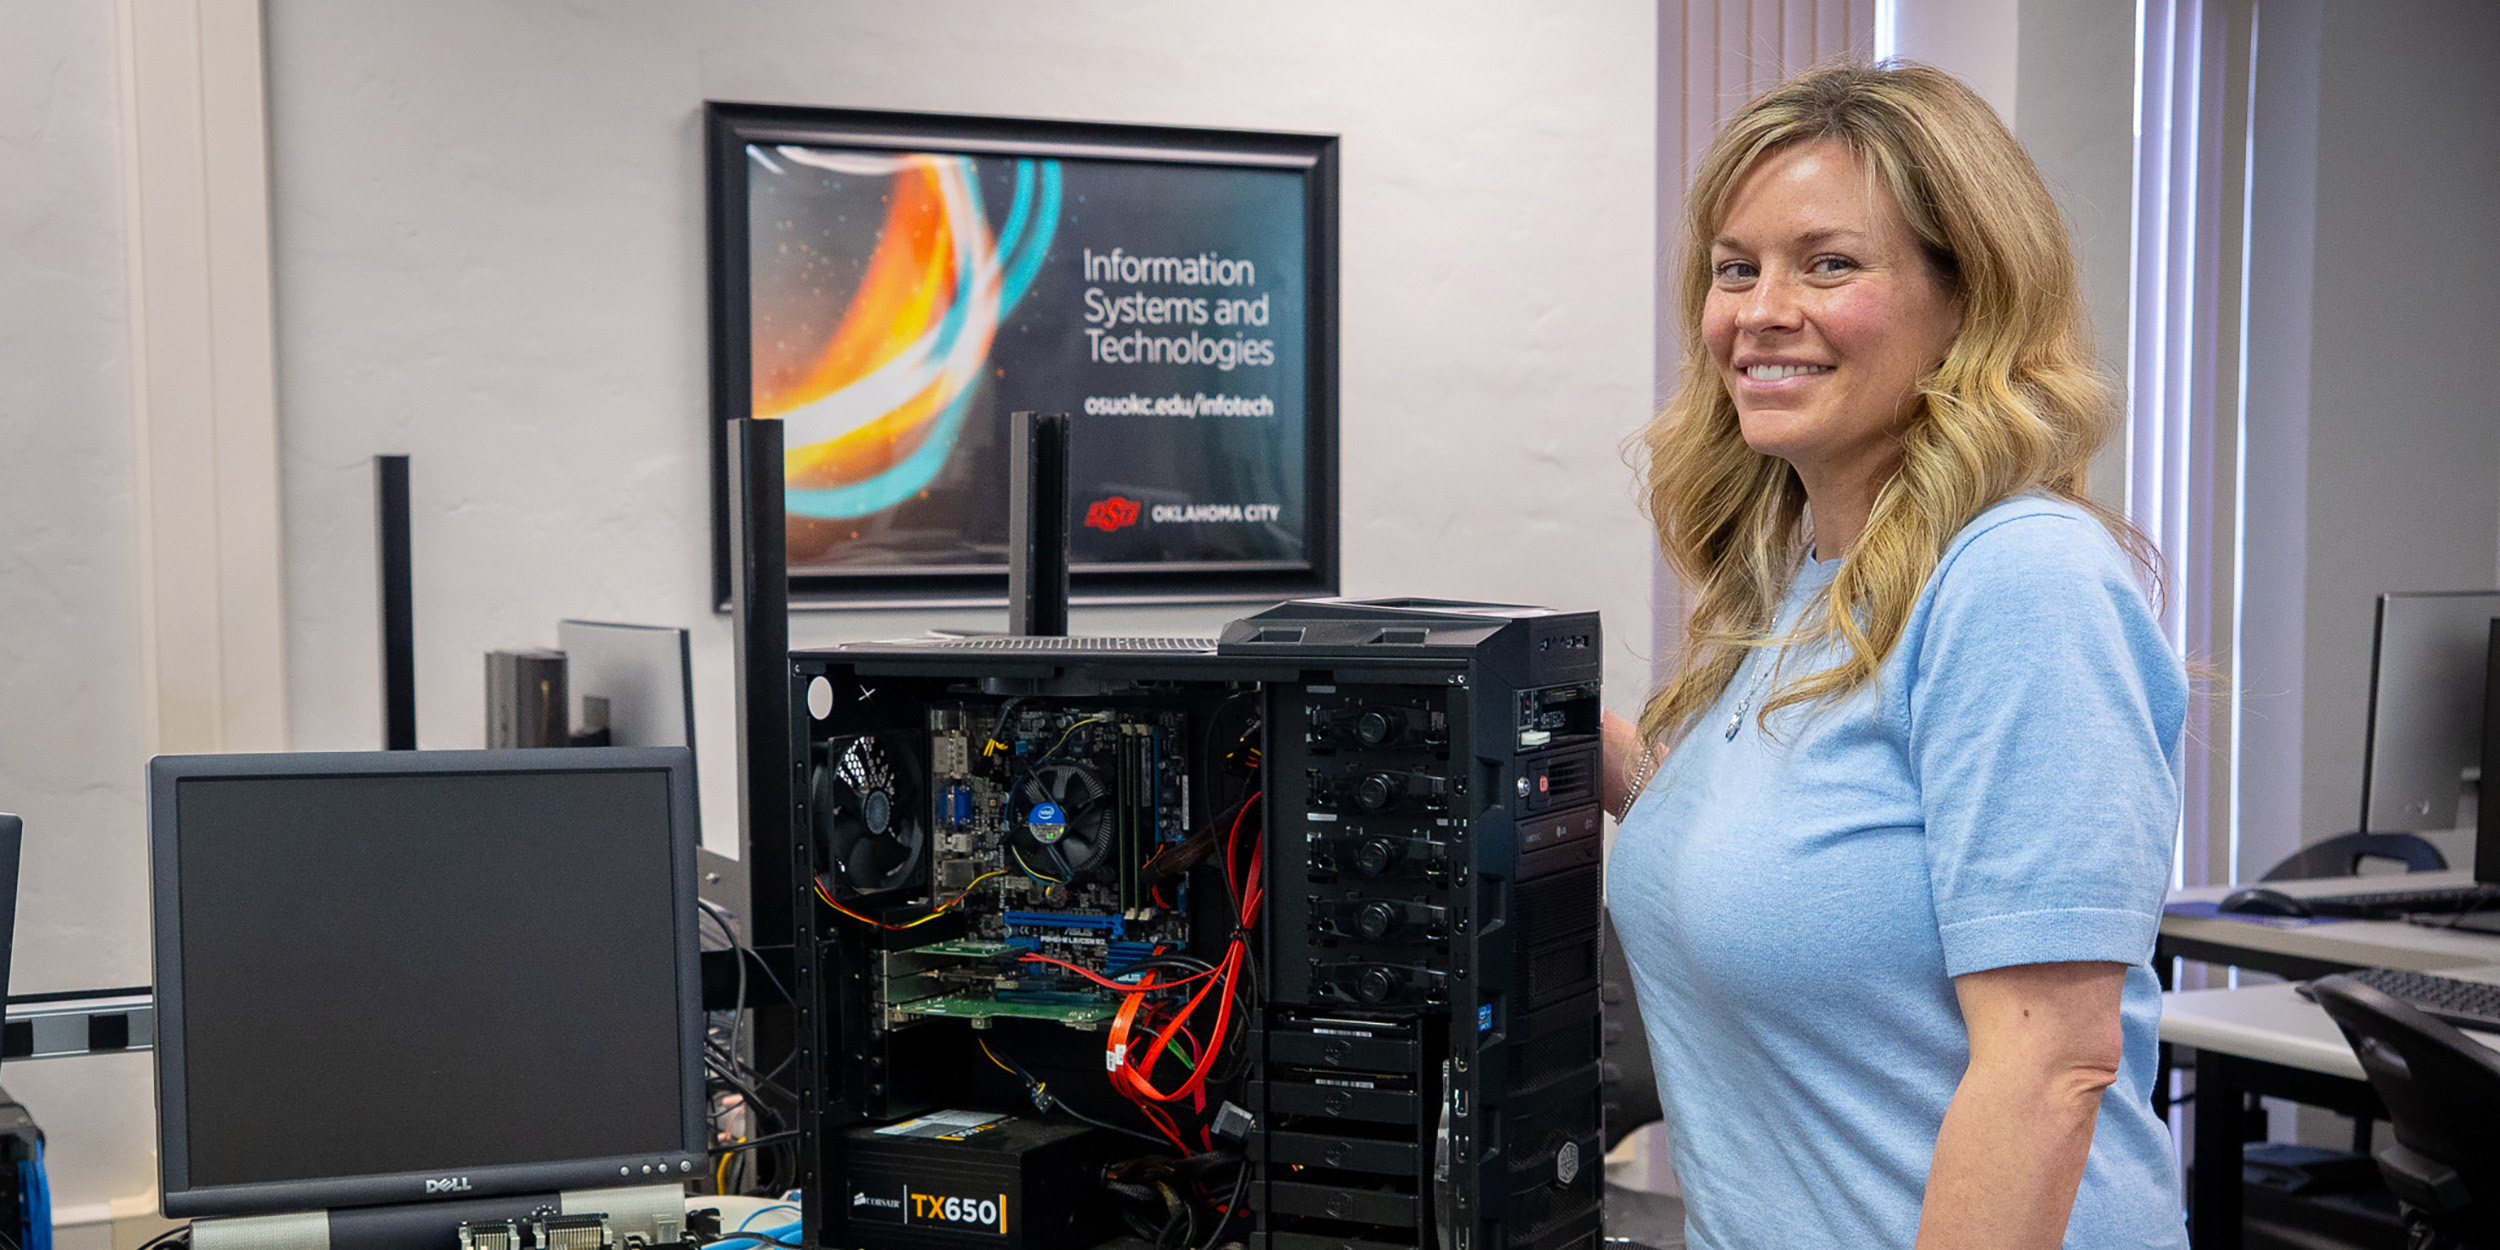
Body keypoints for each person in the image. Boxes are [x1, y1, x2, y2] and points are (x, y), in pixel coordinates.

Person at [1602, 63, 2189, 1250]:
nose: (1760, 311)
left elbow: (2049, 1065)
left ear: (1967, 298)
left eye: (1828, 264)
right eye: (1735, 267)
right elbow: (1806, 845)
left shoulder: (2017, 577)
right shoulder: (1794, 581)